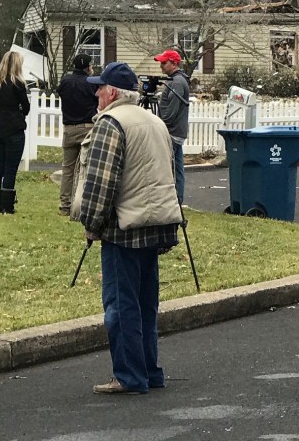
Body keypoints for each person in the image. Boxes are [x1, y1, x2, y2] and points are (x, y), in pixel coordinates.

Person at [76, 61, 180, 395]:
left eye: (100, 87)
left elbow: (101, 182)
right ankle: (150, 371)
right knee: (146, 304)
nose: (95, 92)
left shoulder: (111, 122)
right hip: (158, 224)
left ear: (112, 93)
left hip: (124, 228)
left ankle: (129, 376)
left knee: (121, 306)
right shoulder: (155, 121)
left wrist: (91, 224)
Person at [0, 51, 31, 214]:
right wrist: (19, 109)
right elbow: (26, 108)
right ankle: (8, 205)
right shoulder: (18, 83)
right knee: (10, 167)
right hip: (13, 128)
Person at [57, 54, 98, 216]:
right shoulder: (91, 83)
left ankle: (65, 205)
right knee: (86, 168)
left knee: (68, 168)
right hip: (87, 127)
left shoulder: (65, 81)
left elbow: (61, 93)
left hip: (69, 128)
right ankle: (83, 203)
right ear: (88, 67)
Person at [153, 49, 190, 204]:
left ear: (174, 63)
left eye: (164, 62)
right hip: (176, 132)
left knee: (168, 169)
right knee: (177, 169)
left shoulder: (176, 82)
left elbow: (170, 113)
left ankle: (172, 201)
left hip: (171, 133)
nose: (161, 66)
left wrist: (157, 125)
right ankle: (177, 200)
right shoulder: (177, 80)